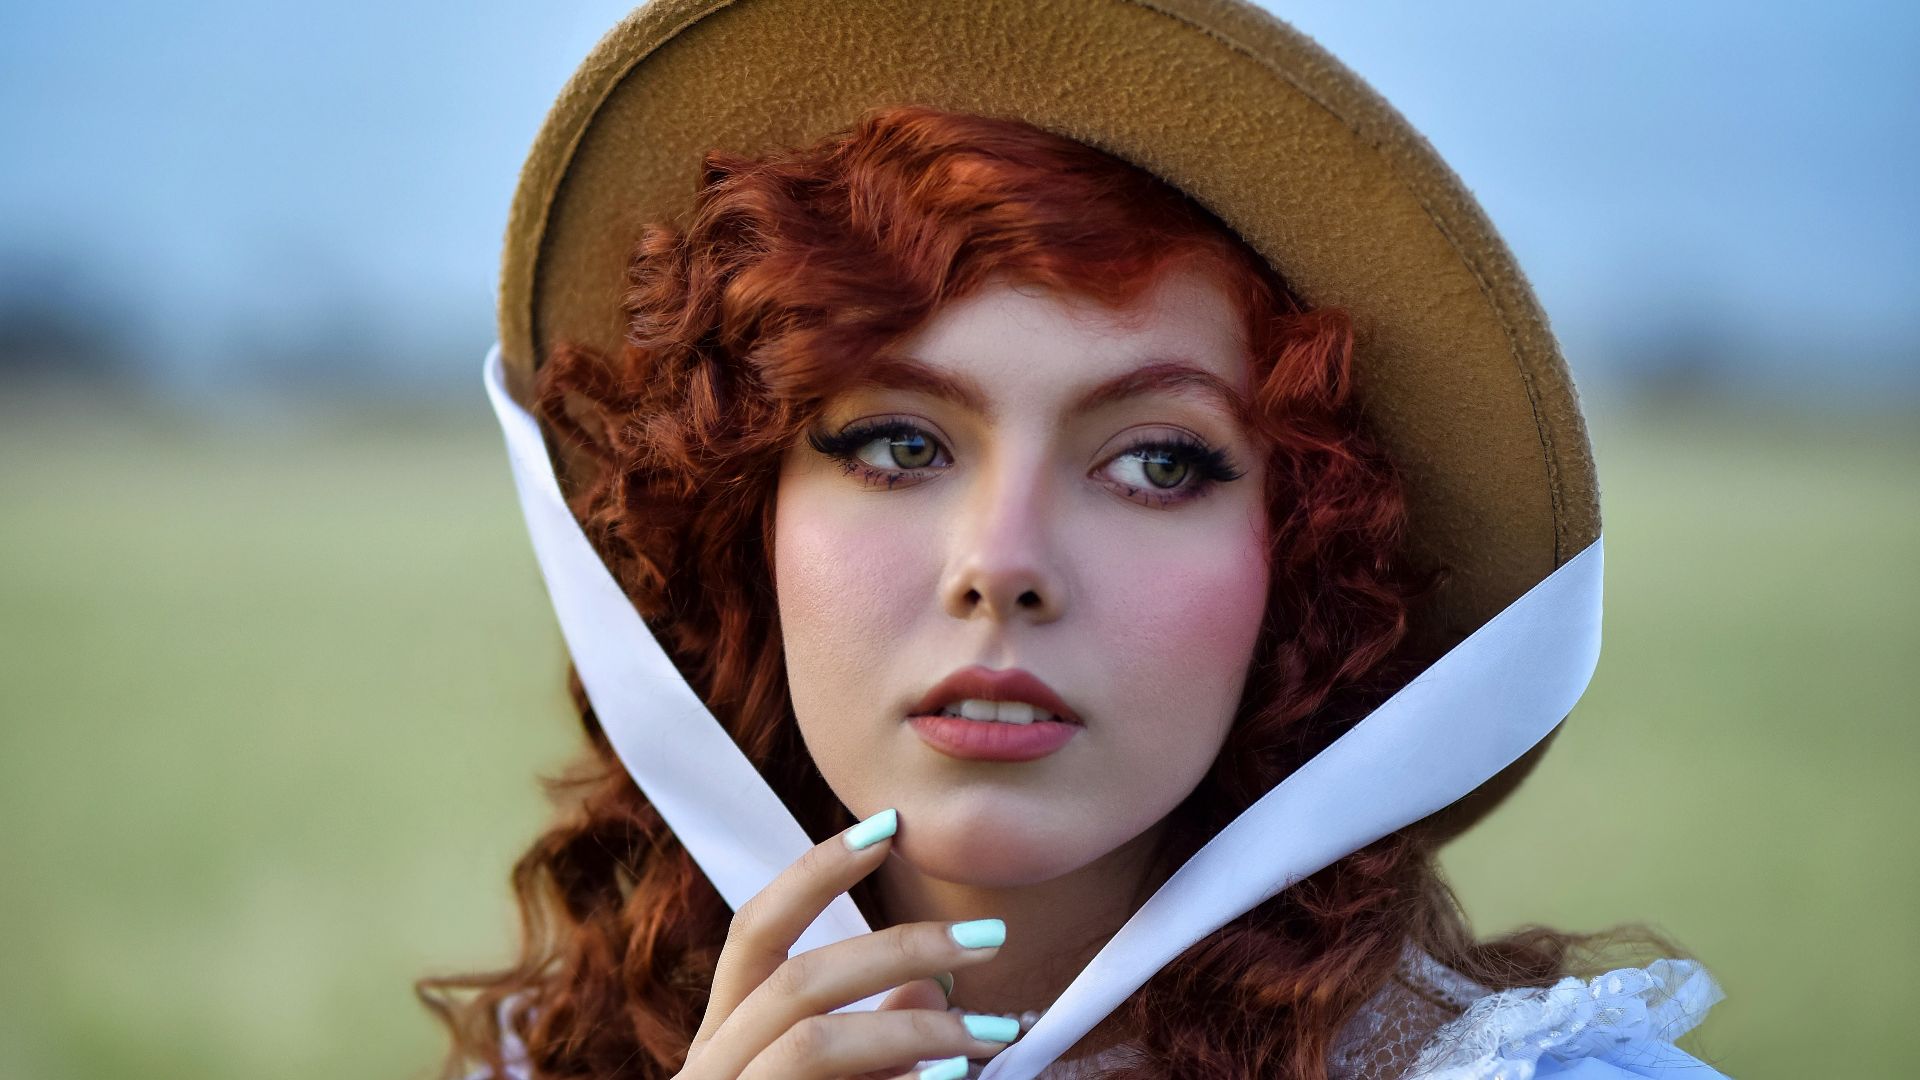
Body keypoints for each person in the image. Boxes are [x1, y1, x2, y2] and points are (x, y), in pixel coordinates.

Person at [420, 3, 1730, 1078]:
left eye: (1158, 464)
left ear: (1307, 566)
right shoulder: (558, 1065)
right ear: (742, 524)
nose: (1003, 563)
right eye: (897, 446)